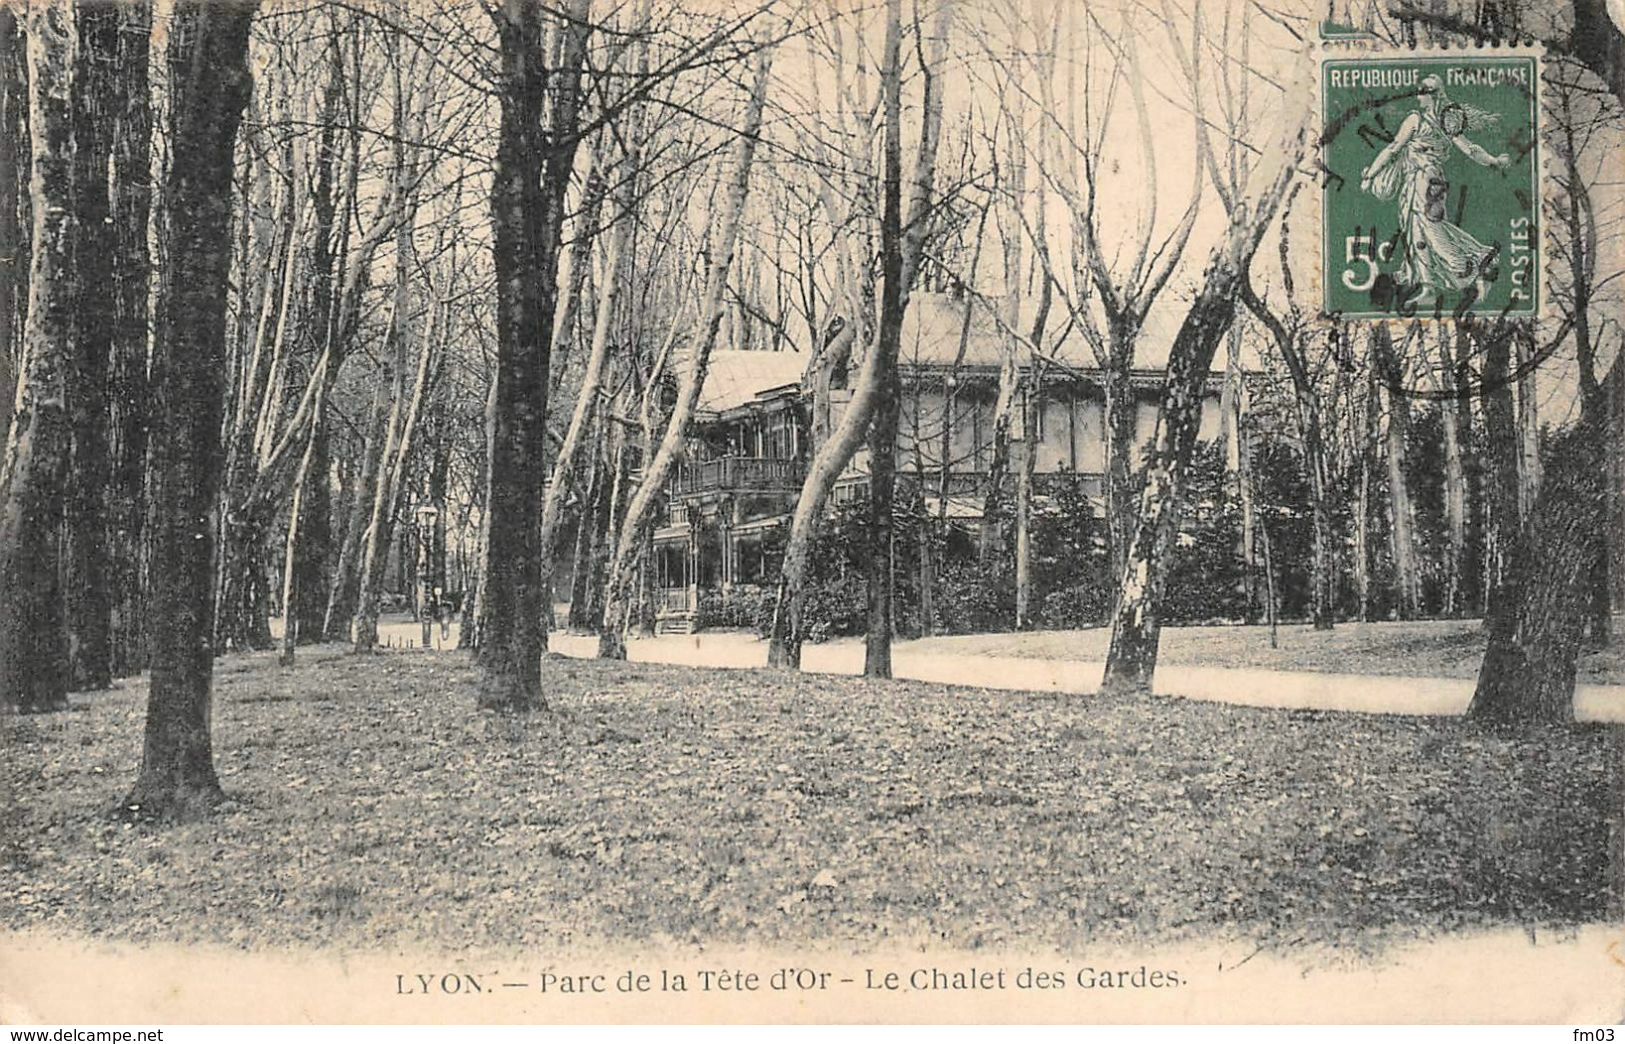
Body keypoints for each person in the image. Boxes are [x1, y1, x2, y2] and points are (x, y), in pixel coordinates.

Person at [1360, 73, 1512, 305]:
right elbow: (1470, 149)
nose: (1419, 94)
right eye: (1420, 89)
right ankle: (1428, 285)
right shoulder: (1443, 121)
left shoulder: (1418, 120)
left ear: (1434, 94)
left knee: (1431, 229)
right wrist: (1494, 161)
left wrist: (1370, 175)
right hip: (1427, 180)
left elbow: (1393, 149)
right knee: (1416, 229)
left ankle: (1477, 264)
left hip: (1424, 180)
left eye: (1424, 90)